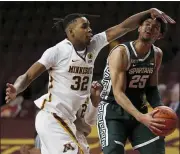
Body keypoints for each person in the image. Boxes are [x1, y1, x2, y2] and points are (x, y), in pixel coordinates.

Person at [5, 9, 175, 154]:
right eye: (84, 26)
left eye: (90, 26)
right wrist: (17, 89)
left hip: (73, 119)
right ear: (70, 32)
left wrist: (148, 12)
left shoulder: (94, 44)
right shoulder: (57, 51)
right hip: (53, 115)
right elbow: (28, 76)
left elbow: (123, 27)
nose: (90, 30)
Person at [97, 14, 175, 154]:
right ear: (139, 28)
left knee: (156, 149)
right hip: (112, 109)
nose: (150, 28)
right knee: (113, 150)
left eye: (156, 27)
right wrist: (141, 117)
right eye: (147, 24)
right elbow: (118, 93)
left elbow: (151, 88)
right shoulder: (121, 52)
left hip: (139, 109)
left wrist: (161, 109)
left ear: (160, 35)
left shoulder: (157, 54)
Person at [20, 81, 103, 154]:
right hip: (57, 127)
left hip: (78, 135)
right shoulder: (61, 83)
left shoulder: (89, 89)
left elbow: (91, 121)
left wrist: (95, 102)